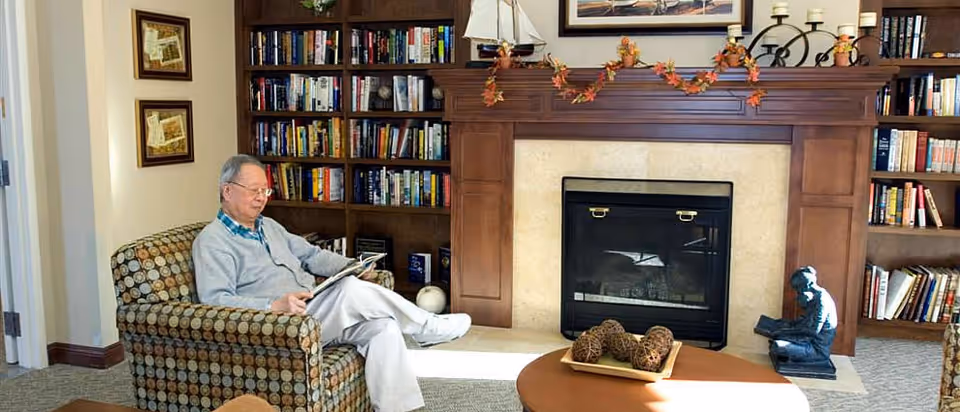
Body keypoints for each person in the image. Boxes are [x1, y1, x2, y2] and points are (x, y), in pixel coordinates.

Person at [193, 154, 471, 412]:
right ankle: (426, 326)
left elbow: (312, 256)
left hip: (313, 311)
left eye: (265, 191)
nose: (260, 198)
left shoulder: (269, 226)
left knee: (383, 328)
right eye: (254, 190)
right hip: (280, 325)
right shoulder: (213, 241)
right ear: (227, 191)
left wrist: (352, 266)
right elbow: (215, 299)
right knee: (349, 290)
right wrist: (273, 306)